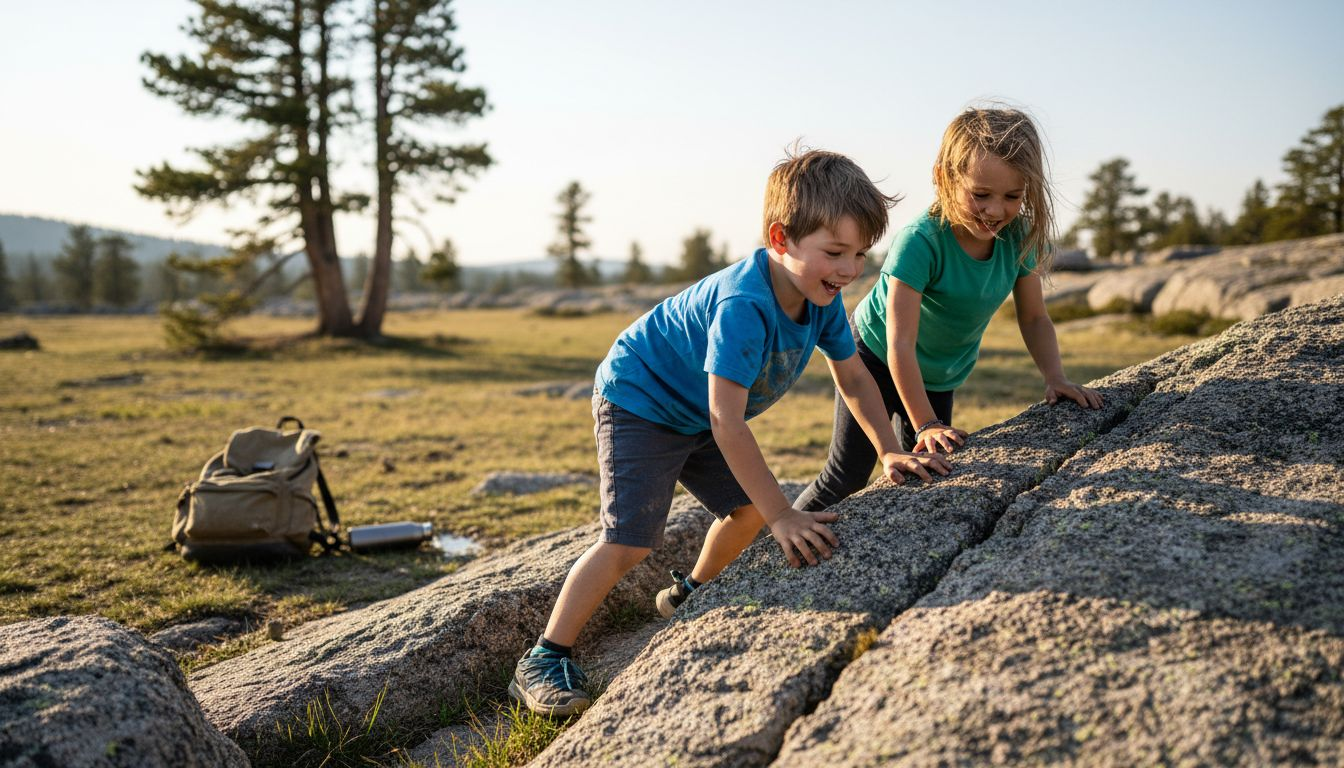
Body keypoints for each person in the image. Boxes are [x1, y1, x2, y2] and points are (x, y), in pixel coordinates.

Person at [509, 148, 951, 717]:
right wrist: (784, 515)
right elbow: (727, 421)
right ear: (780, 238)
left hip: (697, 412)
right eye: (834, 252)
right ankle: (543, 657)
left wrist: (890, 451)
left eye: (860, 255)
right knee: (631, 540)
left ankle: (689, 594)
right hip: (640, 401)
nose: (847, 270)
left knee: (744, 512)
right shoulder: (745, 303)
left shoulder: (823, 299)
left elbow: (856, 380)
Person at [794, 106, 1103, 514]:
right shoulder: (921, 241)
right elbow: (899, 344)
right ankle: (781, 536)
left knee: (930, 466)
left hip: (940, 372)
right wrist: (925, 422)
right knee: (849, 472)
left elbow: (1033, 317)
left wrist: (1056, 377)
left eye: (1012, 196)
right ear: (944, 177)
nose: (995, 210)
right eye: (980, 194)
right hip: (872, 354)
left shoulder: (1020, 238)